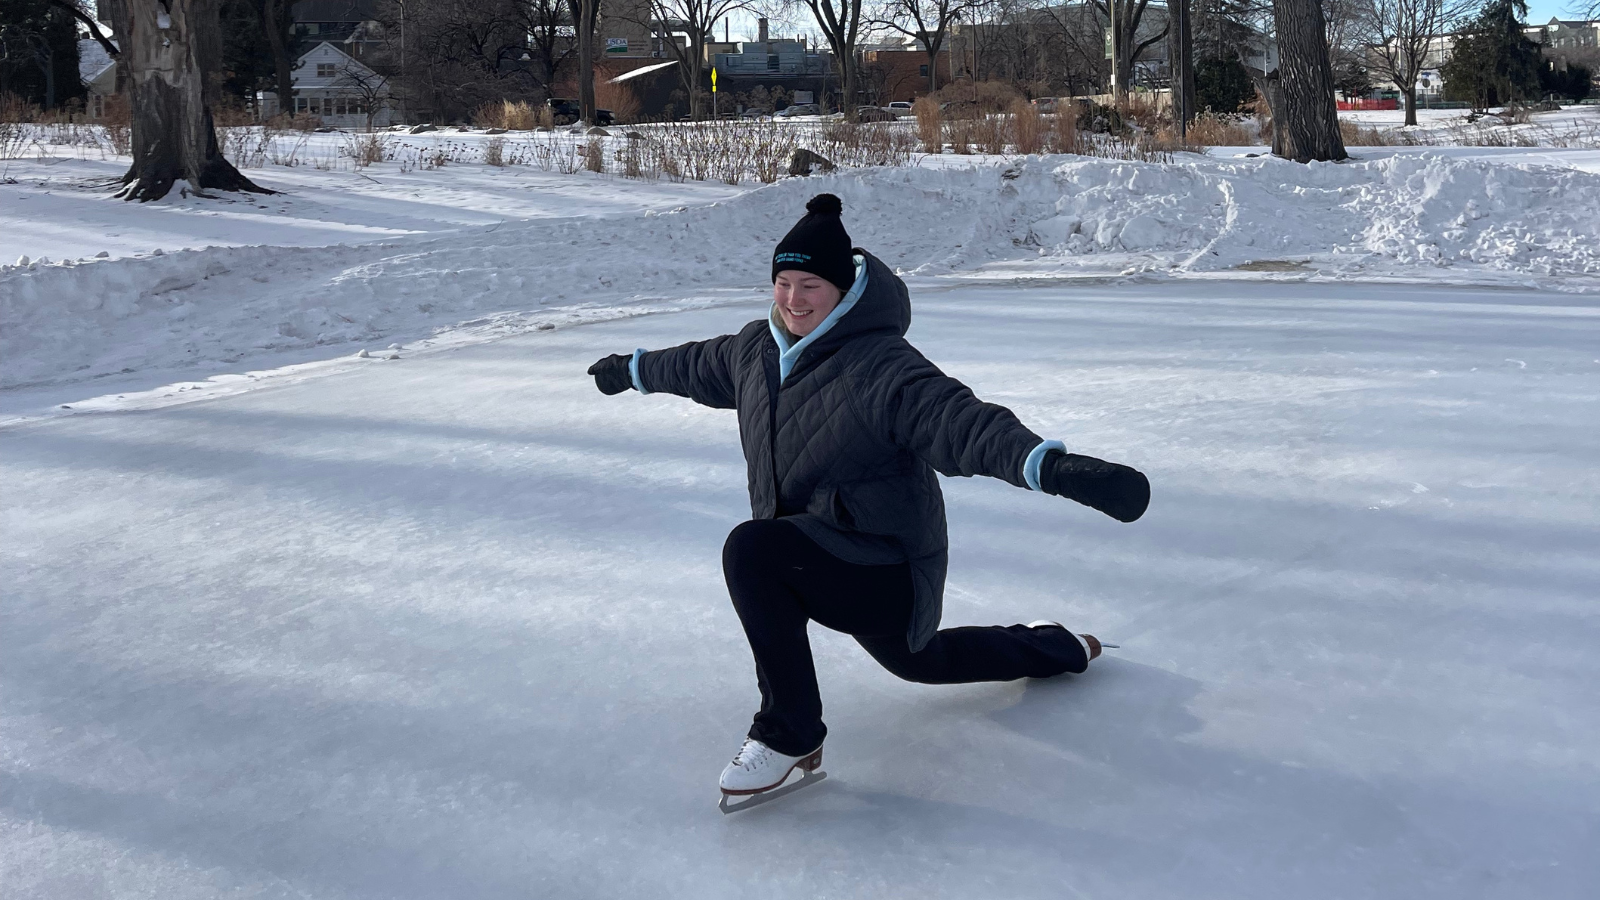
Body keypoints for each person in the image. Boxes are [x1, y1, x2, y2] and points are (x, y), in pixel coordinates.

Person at [587, 194, 1150, 800]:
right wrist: (633, 369)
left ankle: (790, 733)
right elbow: (694, 365)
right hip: (818, 550)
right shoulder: (755, 349)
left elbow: (961, 423)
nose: (794, 300)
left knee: (753, 551)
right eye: (783, 283)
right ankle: (1057, 645)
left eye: (810, 285)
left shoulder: (881, 365)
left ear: (843, 290)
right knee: (920, 662)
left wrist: (1057, 468)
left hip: (887, 565)